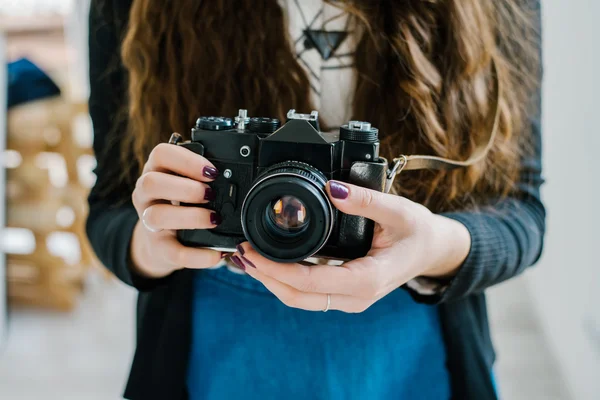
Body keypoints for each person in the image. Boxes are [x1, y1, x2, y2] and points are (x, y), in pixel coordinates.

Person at [86, 1, 545, 399]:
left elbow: (521, 213)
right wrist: (153, 244)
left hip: (411, 333)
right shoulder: (136, 6)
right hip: (214, 325)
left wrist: (436, 246)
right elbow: (109, 207)